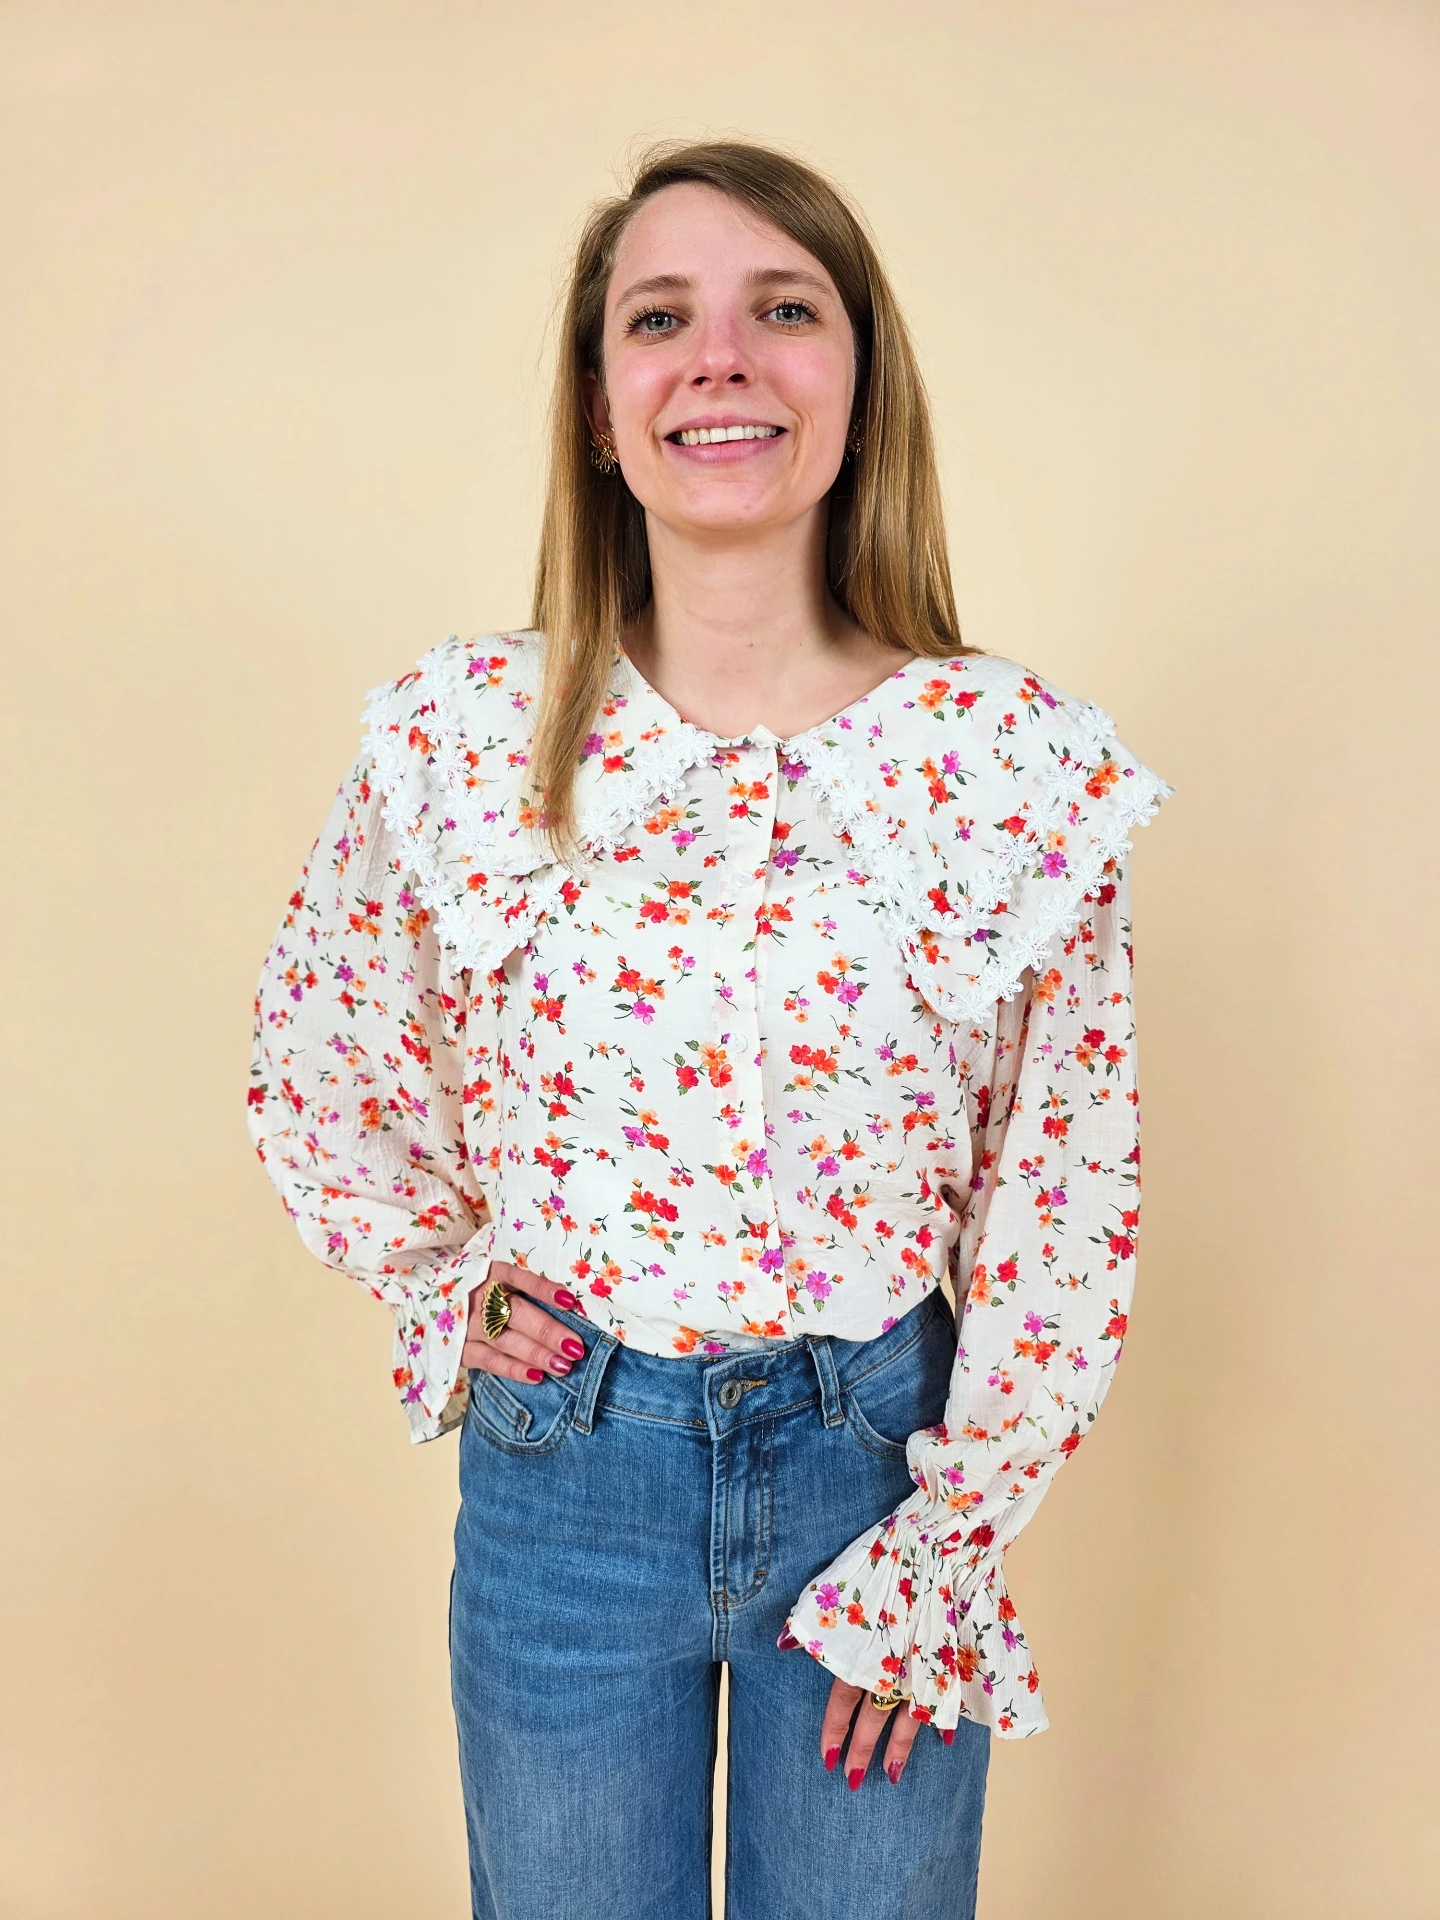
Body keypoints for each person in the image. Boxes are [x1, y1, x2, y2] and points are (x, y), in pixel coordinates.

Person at [248, 138, 1169, 1920]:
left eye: (785, 310)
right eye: (660, 318)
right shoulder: (465, 738)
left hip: (879, 1479)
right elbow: (326, 1056)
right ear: (601, 410)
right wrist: (443, 1284)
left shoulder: (1008, 766)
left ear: (859, 383)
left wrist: (953, 1537)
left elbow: (1064, 1187)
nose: (721, 359)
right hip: (568, 1480)